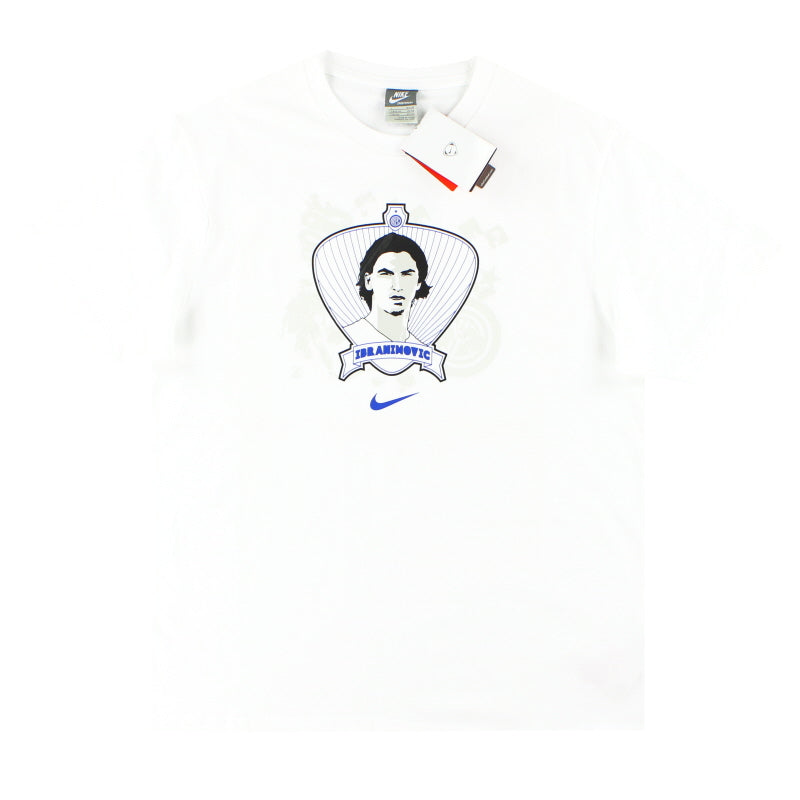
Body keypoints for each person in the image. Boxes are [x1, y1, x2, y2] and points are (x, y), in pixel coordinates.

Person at [343, 232, 432, 345]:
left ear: (419, 282)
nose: (397, 286)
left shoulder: (422, 347)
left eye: (406, 274)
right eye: (386, 274)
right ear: (368, 281)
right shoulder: (347, 339)